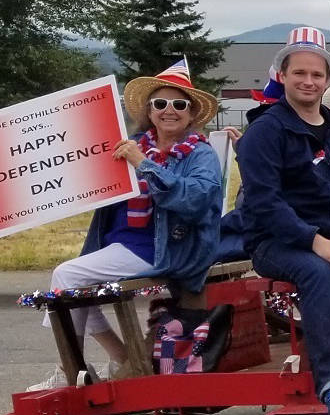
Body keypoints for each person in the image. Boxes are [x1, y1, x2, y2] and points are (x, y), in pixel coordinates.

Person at [30, 60, 223, 390]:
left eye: (179, 104)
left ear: (191, 114)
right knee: (78, 292)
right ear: (149, 110)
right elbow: (83, 172)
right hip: (119, 243)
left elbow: (195, 199)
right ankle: (123, 359)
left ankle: (69, 369)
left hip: (163, 248)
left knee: (66, 277)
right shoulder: (130, 143)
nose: (169, 110)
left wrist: (144, 164)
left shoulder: (199, 154)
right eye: (160, 103)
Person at [238, 26, 330, 415]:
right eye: (299, 72)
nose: (308, 81)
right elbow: (264, 203)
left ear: (327, 80)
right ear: (281, 76)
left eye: (317, 74)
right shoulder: (264, 133)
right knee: (317, 271)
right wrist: (314, 241)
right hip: (278, 242)